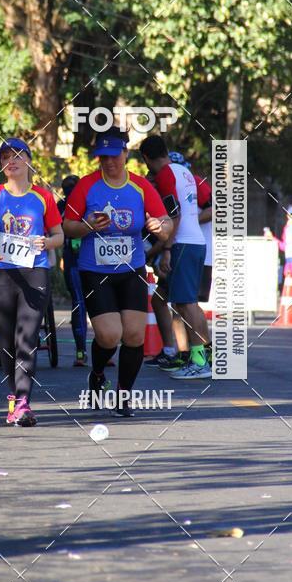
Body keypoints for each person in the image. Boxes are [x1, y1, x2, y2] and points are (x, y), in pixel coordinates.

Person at [63, 128, 171, 416]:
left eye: (113, 156)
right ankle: (97, 374)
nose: (108, 162)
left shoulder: (139, 186)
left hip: (132, 269)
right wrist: (86, 225)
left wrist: (160, 228)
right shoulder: (86, 186)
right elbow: (66, 226)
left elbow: (165, 221)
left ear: (125, 154)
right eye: (102, 157)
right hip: (95, 271)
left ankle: (123, 395)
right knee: (110, 336)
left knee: (134, 335)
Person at [0, 137, 63, 427]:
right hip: (3, 275)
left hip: (34, 271)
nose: (10, 161)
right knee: (6, 341)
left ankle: (25, 402)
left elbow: (60, 235)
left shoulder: (43, 196)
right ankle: (12, 397)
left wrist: (46, 242)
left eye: (16, 155)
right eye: (5, 157)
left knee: (27, 339)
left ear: (28, 161)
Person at [140, 134, 211, 379]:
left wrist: (166, 249)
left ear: (147, 158)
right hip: (194, 242)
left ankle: (199, 360)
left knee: (186, 304)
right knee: (170, 299)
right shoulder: (183, 170)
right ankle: (197, 354)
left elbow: (174, 215)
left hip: (182, 244)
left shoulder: (165, 175)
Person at [57, 175, 88, 366]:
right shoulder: (62, 206)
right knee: (82, 302)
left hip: (85, 259)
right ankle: (81, 351)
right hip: (76, 260)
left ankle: (82, 351)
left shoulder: (62, 205)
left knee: (80, 302)